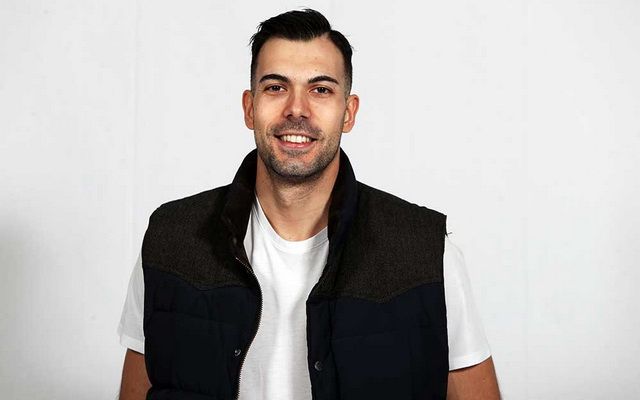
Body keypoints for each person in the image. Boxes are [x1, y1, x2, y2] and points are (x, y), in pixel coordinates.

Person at [117, 8, 500, 400]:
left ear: (348, 112)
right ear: (249, 107)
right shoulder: (171, 241)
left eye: (321, 90)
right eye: (275, 87)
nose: (296, 109)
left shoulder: (426, 255)